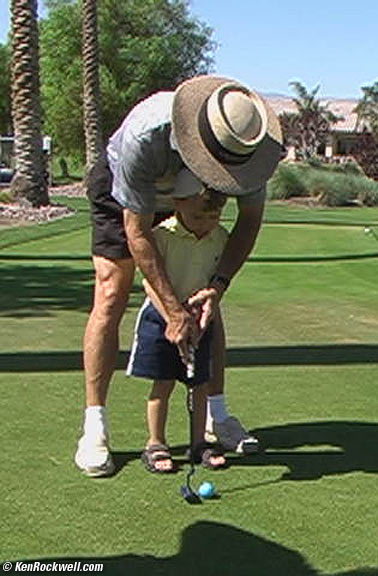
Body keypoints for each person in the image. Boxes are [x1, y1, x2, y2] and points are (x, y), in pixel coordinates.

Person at [75, 76, 283, 476]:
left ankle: (216, 418)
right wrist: (171, 312)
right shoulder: (146, 134)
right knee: (112, 289)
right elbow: (137, 232)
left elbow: (249, 222)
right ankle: (94, 426)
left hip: (196, 201)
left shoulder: (254, 150)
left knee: (201, 293)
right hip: (127, 190)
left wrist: (216, 286)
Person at [129, 169, 230, 473]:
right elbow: (149, 282)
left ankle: (198, 444)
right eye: (199, 218)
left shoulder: (220, 238)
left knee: (199, 384)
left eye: (213, 218)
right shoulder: (163, 235)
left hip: (200, 319)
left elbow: (217, 280)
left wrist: (200, 314)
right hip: (160, 317)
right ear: (178, 203)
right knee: (163, 384)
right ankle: (156, 443)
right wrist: (173, 317)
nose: (206, 225)